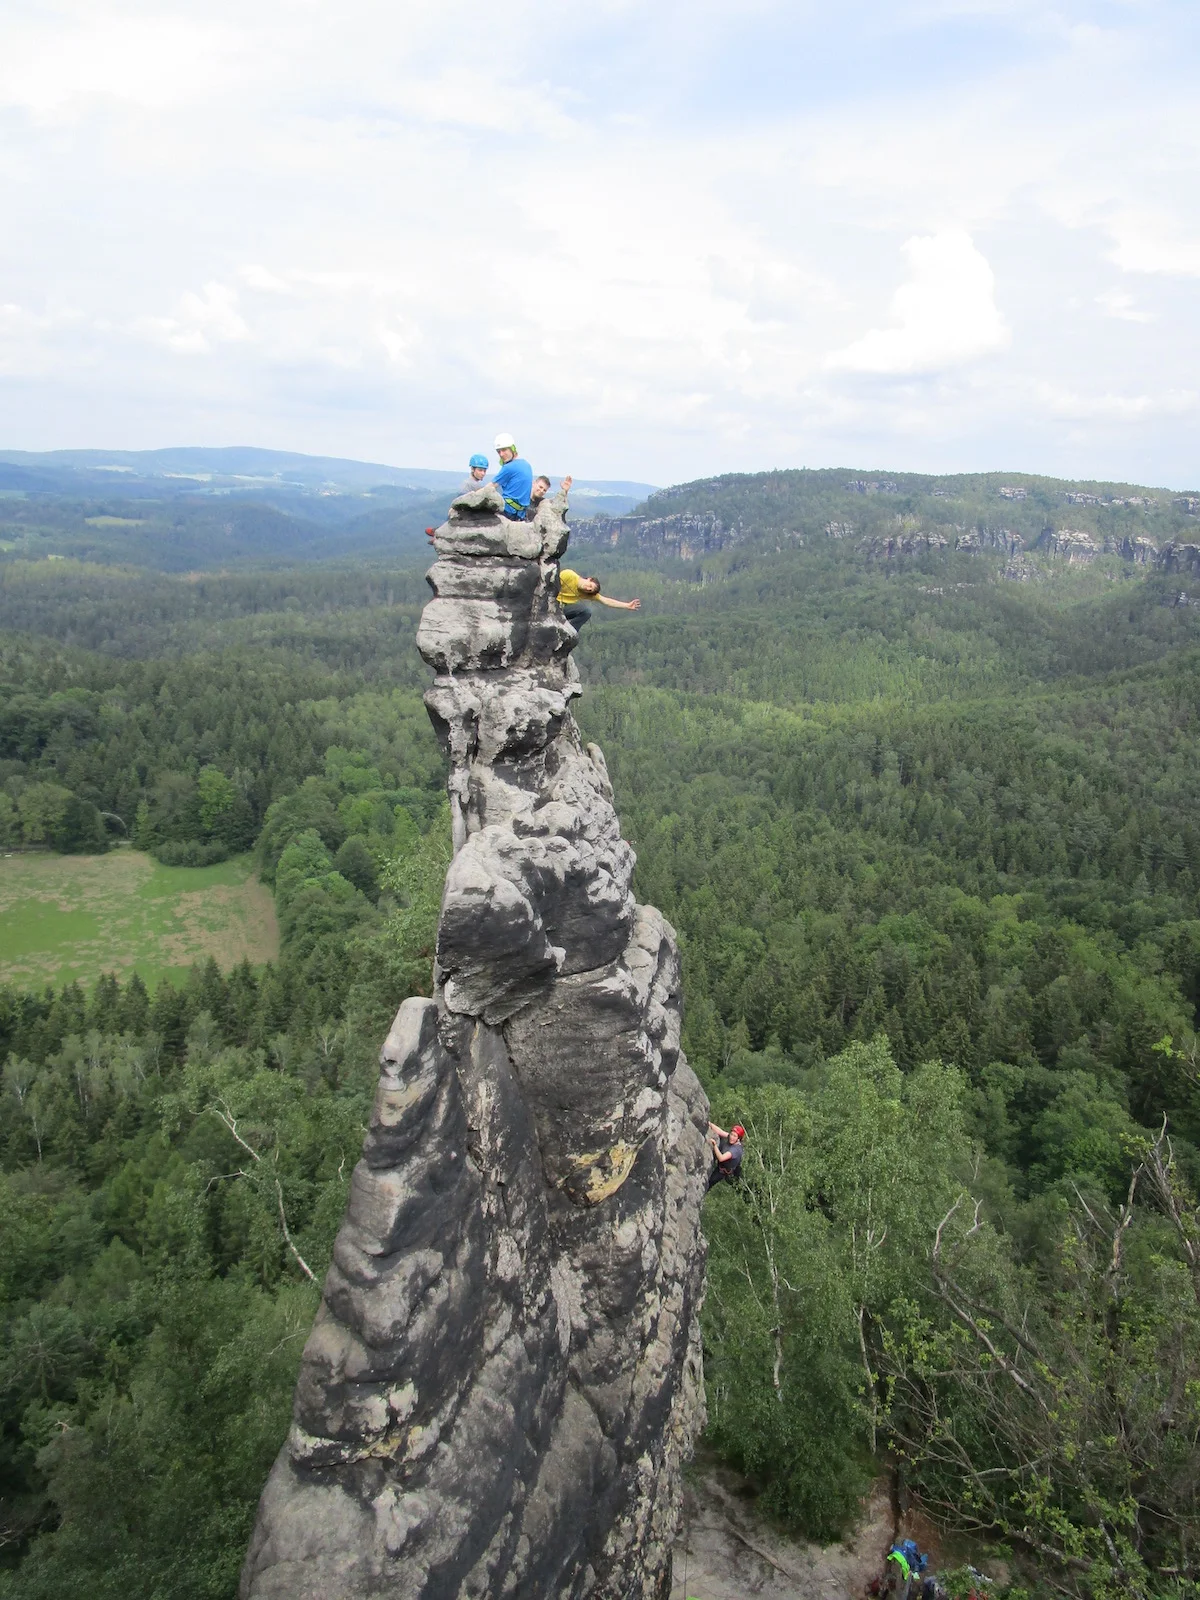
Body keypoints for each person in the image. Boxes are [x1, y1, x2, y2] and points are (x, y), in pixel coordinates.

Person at [556, 569, 640, 632]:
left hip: (560, 610)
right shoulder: (569, 575)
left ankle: (568, 632)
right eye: (590, 586)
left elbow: (606, 601)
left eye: (590, 590)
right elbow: (551, 585)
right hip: (549, 604)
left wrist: (627, 605)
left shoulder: (584, 593)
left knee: (586, 612)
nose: (588, 589)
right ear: (589, 579)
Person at [492, 431, 534, 521]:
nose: (501, 454)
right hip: (521, 515)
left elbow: (491, 487)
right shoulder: (526, 464)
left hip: (507, 511)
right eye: (498, 452)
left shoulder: (508, 467)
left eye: (504, 450)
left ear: (512, 449)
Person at [706, 1121, 745, 1189]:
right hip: (723, 1155)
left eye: (734, 1136)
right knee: (721, 1138)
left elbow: (721, 1158)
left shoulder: (735, 1150)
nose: (731, 1137)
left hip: (722, 1170)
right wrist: (709, 1124)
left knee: (709, 1182)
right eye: (731, 1134)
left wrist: (714, 1145)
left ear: (738, 1139)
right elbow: (720, 1131)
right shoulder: (731, 1138)